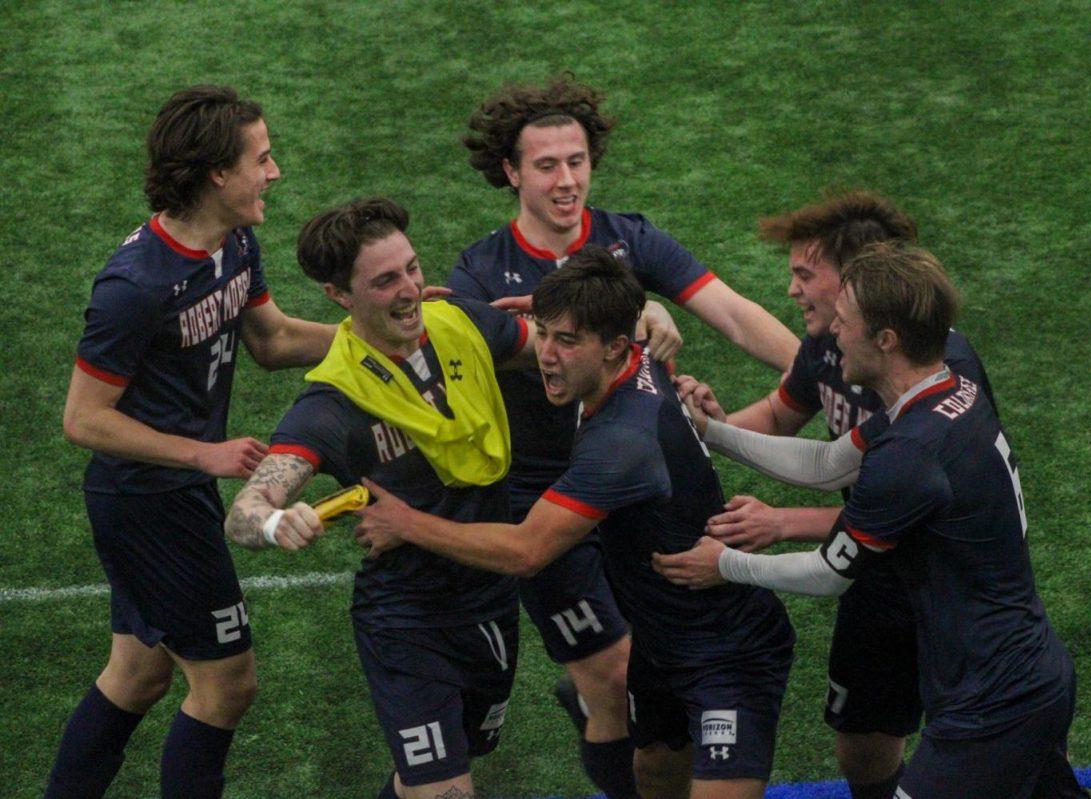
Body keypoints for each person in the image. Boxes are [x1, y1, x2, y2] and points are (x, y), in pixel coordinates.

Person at [446, 73, 800, 798]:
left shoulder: (627, 239)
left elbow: (729, 312)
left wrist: (814, 368)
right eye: (546, 165)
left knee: (655, 657)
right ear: (511, 171)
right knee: (612, 675)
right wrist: (624, 322)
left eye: (576, 161)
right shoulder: (481, 271)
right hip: (545, 493)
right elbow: (472, 365)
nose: (566, 180)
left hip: (634, 494)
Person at [654, 242, 1090, 799]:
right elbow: (825, 462)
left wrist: (728, 563)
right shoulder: (944, 387)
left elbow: (828, 574)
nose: (833, 332)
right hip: (1027, 675)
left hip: (992, 704)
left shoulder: (912, 453)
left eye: (846, 321)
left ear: (886, 340)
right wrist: (711, 432)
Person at [356, 247, 795, 799]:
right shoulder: (637, 359)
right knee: (653, 775)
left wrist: (405, 522)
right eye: (542, 333)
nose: (544, 355)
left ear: (613, 348)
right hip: (660, 643)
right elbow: (635, 315)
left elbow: (527, 551)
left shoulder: (620, 444)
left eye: (566, 341)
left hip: (727, 650)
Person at [46, 85, 334, 799]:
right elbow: (83, 419)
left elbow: (272, 340)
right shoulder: (135, 285)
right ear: (216, 173)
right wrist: (201, 453)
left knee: (137, 673)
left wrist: (382, 332)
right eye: (261, 159)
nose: (275, 171)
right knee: (227, 684)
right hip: (147, 502)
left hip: (174, 495)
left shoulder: (234, 242)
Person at [674, 190, 995, 799]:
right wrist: (708, 430)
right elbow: (804, 436)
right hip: (873, 558)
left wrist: (765, 536)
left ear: (858, 288)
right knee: (864, 741)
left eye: (804, 274)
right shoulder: (837, 344)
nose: (791, 290)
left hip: (938, 584)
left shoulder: (928, 387)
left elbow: (884, 521)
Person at [225, 197, 537, 799]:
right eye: (386, 279)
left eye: (413, 269)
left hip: (493, 598)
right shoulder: (333, 402)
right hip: (407, 618)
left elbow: (556, 351)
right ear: (339, 295)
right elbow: (246, 509)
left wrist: (636, 320)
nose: (410, 290)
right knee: (444, 791)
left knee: (441, 770)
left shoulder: (461, 323)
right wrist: (272, 524)